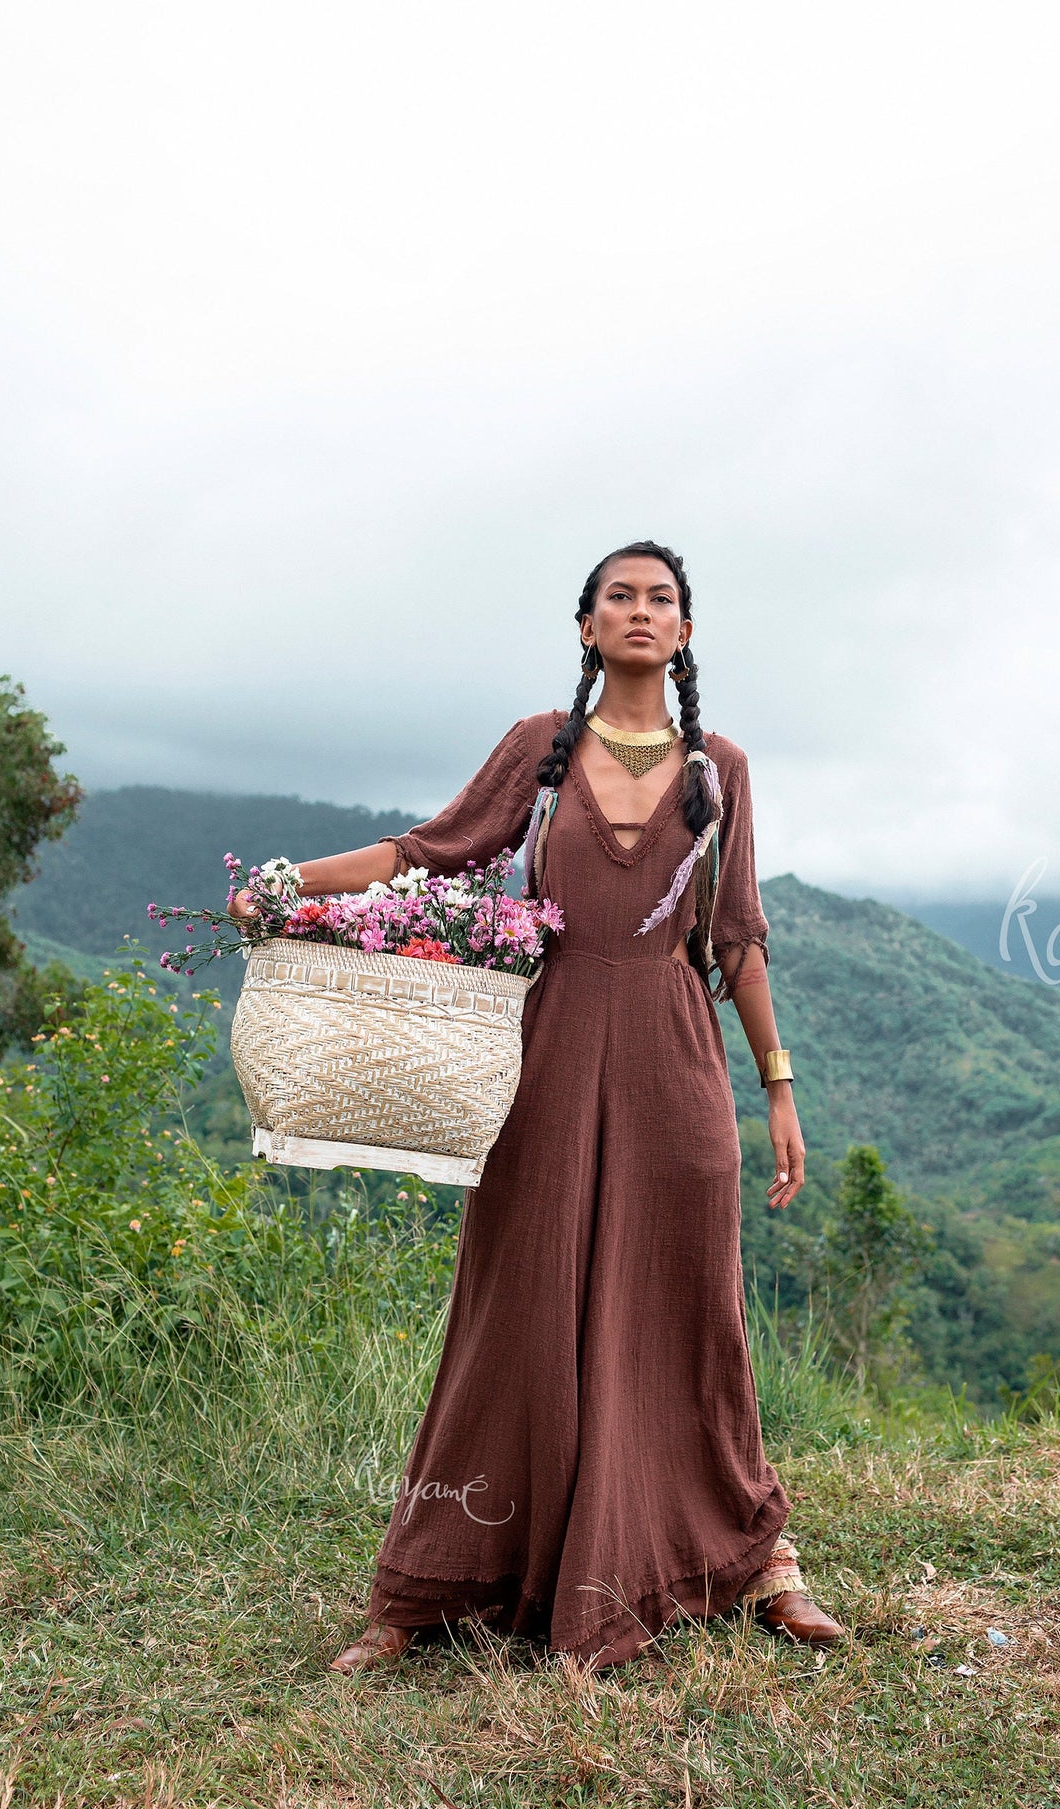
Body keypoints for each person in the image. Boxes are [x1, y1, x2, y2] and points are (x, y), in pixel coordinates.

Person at [232, 540, 843, 1671]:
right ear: (585, 624)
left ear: (686, 630)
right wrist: (290, 882)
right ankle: (424, 1588)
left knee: (688, 1305)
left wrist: (778, 1085)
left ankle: (761, 1560)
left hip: (675, 1062)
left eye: (662, 598)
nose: (641, 611)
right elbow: (433, 850)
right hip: (546, 1056)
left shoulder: (722, 767)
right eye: (620, 595)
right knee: (515, 1299)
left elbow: (734, 936)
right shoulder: (539, 749)